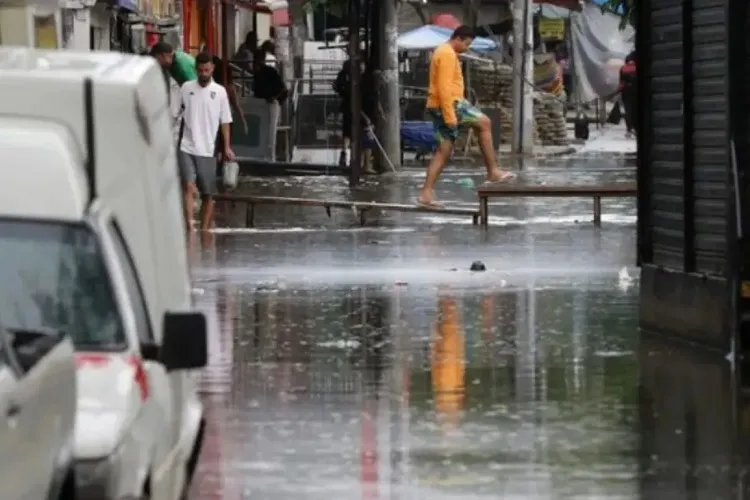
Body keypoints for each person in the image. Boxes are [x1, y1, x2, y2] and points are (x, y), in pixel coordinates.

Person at [418, 25, 514, 208]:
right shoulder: (446, 54)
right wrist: (450, 117)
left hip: (439, 105)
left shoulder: (444, 51)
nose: (467, 48)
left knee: (443, 151)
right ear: (459, 38)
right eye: (467, 44)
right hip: (450, 104)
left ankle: (426, 194)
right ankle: (493, 172)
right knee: (485, 122)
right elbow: (444, 89)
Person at [178, 52, 234, 232]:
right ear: (196, 69)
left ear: (212, 70)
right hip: (186, 145)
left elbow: (225, 121)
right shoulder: (186, 88)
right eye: (200, 70)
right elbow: (177, 114)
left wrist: (226, 147)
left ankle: (205, 229)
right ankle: (189, 227)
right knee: (188, 185)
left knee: (208, 194)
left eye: (206, 70)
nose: (203, 73)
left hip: (208, 148)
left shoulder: (220, 92)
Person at [333, 58, 376, 169]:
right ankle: (353, 157)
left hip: (351, 107)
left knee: (349, 133)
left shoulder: (354, 78)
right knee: (351, 132)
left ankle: (352, 156)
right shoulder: (354, 79)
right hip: (352, 107)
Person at [252, 41, 288, 161]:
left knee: (270, 131)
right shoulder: (260, 73)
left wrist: (275, 99)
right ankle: (267, 156)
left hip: (270, 103)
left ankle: (269, 156)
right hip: (264, 103)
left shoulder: (267, 72)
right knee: (266, 131)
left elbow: (283, 89)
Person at [618, 51, 637, 139]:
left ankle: (629, 129)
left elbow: (621, 83)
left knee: (628, 110)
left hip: (626, 93)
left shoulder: (623, 69)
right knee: (635, 110)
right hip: (636, 92)